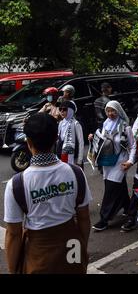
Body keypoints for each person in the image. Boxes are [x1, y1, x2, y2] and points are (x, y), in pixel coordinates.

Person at [3, 113, 92, 273]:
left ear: (28, 142)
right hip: (73, 248)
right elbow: (84, 219)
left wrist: (12, 270)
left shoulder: (16, 184)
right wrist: (80, 248)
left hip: (39, 254)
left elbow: (14, 235)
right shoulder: (76, 173)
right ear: (56, 138)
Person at [88, 100, 134, 231]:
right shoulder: (105, 125)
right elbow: (102, 141)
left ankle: (104, 219)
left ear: (118, 111)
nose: (110, 113)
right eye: (108, 111)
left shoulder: (125, 127)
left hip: (120, 162)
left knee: (111, 188)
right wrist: (92, 138)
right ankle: (128, 207)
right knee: (118, 186)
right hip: (107, 162)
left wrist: (130, 161)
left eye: (113, 110)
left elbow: (133, 145)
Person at [56, 100, 84, 167]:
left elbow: (81, 142)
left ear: (71, 111)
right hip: (62, 157)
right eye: (60, 109)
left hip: (74, 158)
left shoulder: (76, 124)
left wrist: (79, 160)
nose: (62, 111)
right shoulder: (61, 123)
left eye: (64, 109)